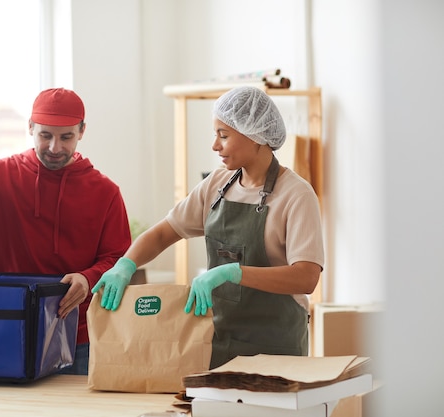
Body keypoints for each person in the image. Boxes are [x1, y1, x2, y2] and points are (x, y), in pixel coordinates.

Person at [92, 86, 324, 369]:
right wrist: (126, 264)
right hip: (216, 342)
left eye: (223, 136)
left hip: (275, 347)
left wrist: (234, 273)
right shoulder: (217, 185)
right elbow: (165, 232)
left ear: (255, 137)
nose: (215, 146)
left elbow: (306, 277)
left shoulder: (296, 195)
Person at [0, 87, 132, 375]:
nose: (55, 147)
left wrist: (87, 277)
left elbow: (119, 258)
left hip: (78, 336)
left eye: (66, 137)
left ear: (81, 131)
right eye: (46, 135)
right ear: (30, 127)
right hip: (6, 329)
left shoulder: (106, 192)